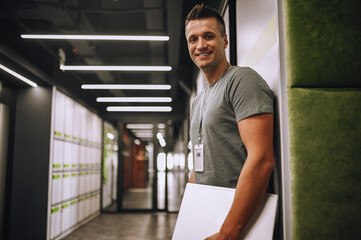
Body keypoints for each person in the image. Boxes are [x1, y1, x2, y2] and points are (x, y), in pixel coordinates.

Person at [185, 4, 275, 240]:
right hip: (207, 215)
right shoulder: (199, 99)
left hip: (239, 222)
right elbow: (199, 161)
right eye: (193, 39)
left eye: (208, 36)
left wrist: (230, 231)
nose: (200, 45)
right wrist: (189, 210)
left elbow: (262, 159)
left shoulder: (242, 81)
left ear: (225, 41)